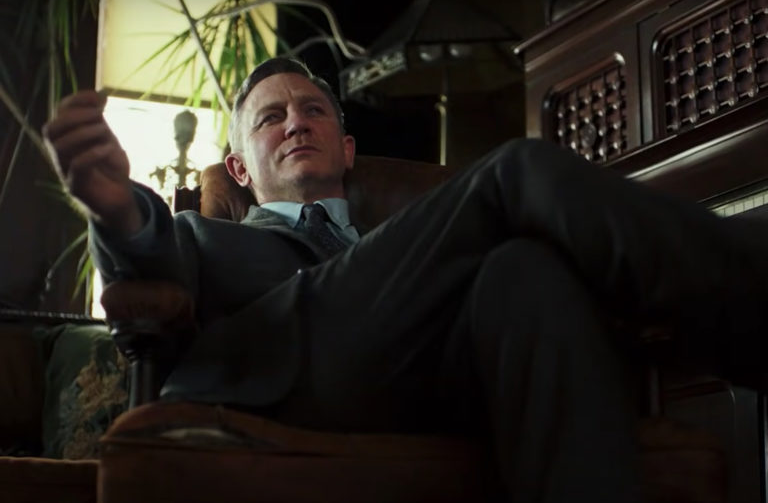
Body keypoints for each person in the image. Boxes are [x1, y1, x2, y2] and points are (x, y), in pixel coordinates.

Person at [43, 57, 768, 503]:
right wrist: (118, 210)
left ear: (347, 148)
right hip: (288, 370)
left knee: (525, 273)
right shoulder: (208, 235)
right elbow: (152, 260)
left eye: (313, 110)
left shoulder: (413, 247)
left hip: (433, 375)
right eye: (271, 118)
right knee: (517, 169)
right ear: (238, 168)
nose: (295, 123)